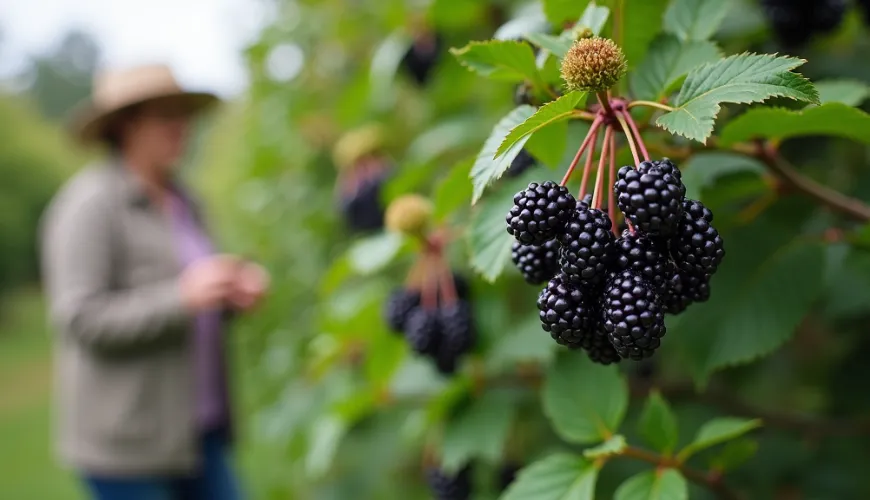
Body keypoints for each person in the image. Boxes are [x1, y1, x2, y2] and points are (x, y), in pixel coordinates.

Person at [39, 63, 268, 500]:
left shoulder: (186, 200)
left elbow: (195, 300)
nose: (181, 127)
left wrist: (229, 294)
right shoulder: (88, 206)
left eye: (184, 115)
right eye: (165, 116)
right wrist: (181, 298)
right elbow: (80, 318)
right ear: (125, 126)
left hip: (197, 430)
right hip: (128, 449)